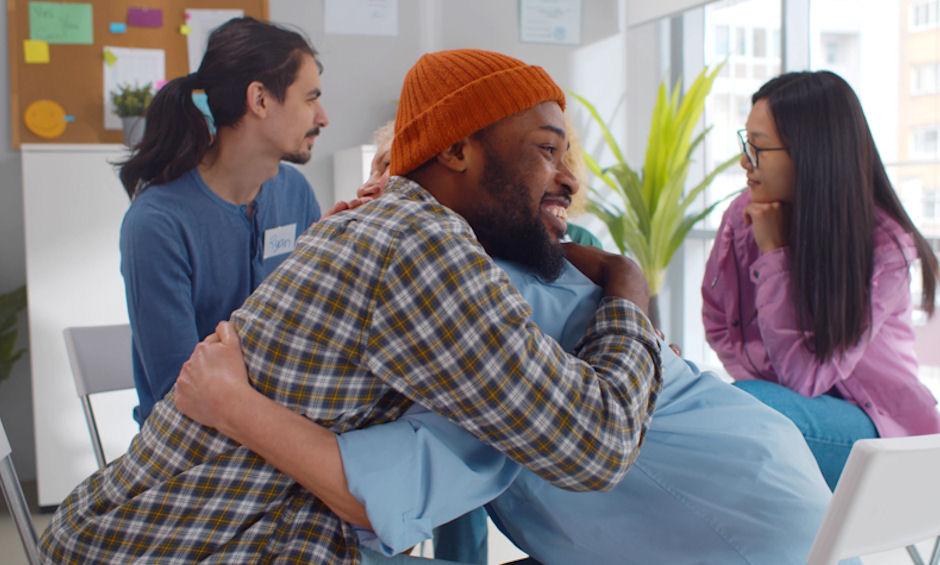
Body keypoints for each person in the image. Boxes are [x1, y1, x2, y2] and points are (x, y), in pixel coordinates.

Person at [40, 48, 662, 564]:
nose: (568, 177)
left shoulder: (396, 230)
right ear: (455, 151)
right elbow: (596, 444)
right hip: (180, 548)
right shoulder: (420, 247)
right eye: (547, 149)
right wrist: (628, 288)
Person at [174, 128, 836, 565]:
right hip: (793, 513)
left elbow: (380, 489)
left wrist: (230, 401)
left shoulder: (486, 304)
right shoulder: (557, 279)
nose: (367, 206)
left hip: (739, 540)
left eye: (386, 191)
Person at [702, 70, 940, 489]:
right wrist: (774, 389)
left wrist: (776, 255)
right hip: (786, 408)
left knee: (748, 414)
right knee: (727, 409)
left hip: (879, 431)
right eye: (745, 144)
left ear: (810, 153)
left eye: (757, 149)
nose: (744, 162)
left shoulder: (884, 247)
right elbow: (722, 325)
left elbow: (806, 377)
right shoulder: (741, 216)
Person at [118, 17, 329, 424]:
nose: (322, 117)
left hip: (281, 422)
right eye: (310, 98)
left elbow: (314, 332)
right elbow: (176, 391)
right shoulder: (156, 224)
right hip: (194, 443)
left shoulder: (295, 194)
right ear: (260, 100)